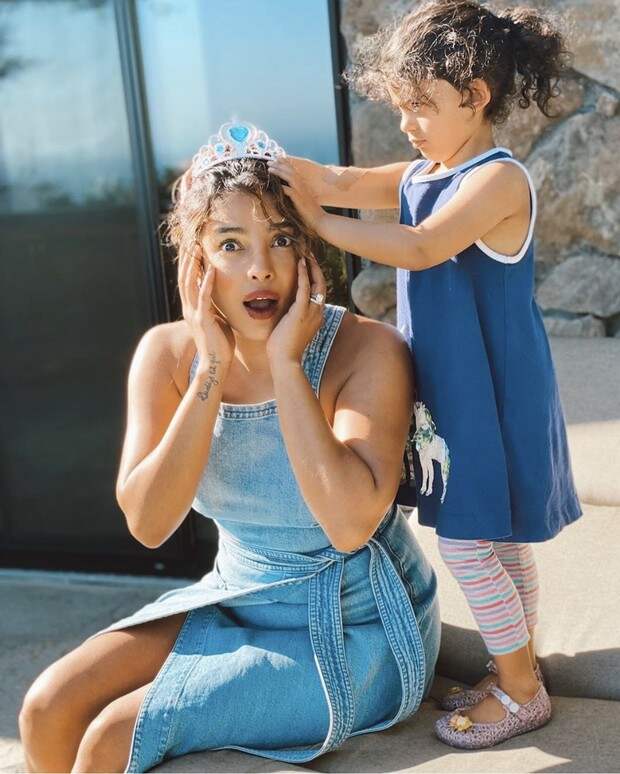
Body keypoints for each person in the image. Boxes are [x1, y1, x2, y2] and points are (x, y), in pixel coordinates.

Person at [18, 122, 440, 773]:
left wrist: (286, 367)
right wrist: (209, 372)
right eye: (231, 244)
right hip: (237, 593)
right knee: (47, 709)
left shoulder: (368, 351)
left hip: (361, 624)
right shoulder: (166, 355)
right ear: (196, 258)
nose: (259, 268)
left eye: (281, 238)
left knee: (111, 739)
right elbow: (151, 524)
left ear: (310, 247)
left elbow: (352, 523)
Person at [267, 0, 582, 749]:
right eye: (401, 106)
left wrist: (314, 225)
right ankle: (519, 666)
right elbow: (339, 176)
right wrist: (280, 172)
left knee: (473, 543)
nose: (407, 123)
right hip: (452, 390)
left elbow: (418, 247)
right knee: (496, 539)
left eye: (422, 106)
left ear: (475, 97)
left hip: (494, 393)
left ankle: (521, 689)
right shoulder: (424, 170)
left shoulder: (498, 181)